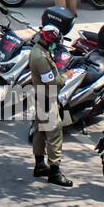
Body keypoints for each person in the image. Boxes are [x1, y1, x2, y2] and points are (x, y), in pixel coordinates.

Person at [29, 23, 72, 187]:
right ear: (48, 39)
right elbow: (52, 82)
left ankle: (39, 165)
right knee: (54, 133)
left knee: (40, 130)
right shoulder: (40, 57)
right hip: (47, 97)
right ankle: (55, 171)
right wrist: (66, 76)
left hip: (41, 96)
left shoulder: (41, 51)